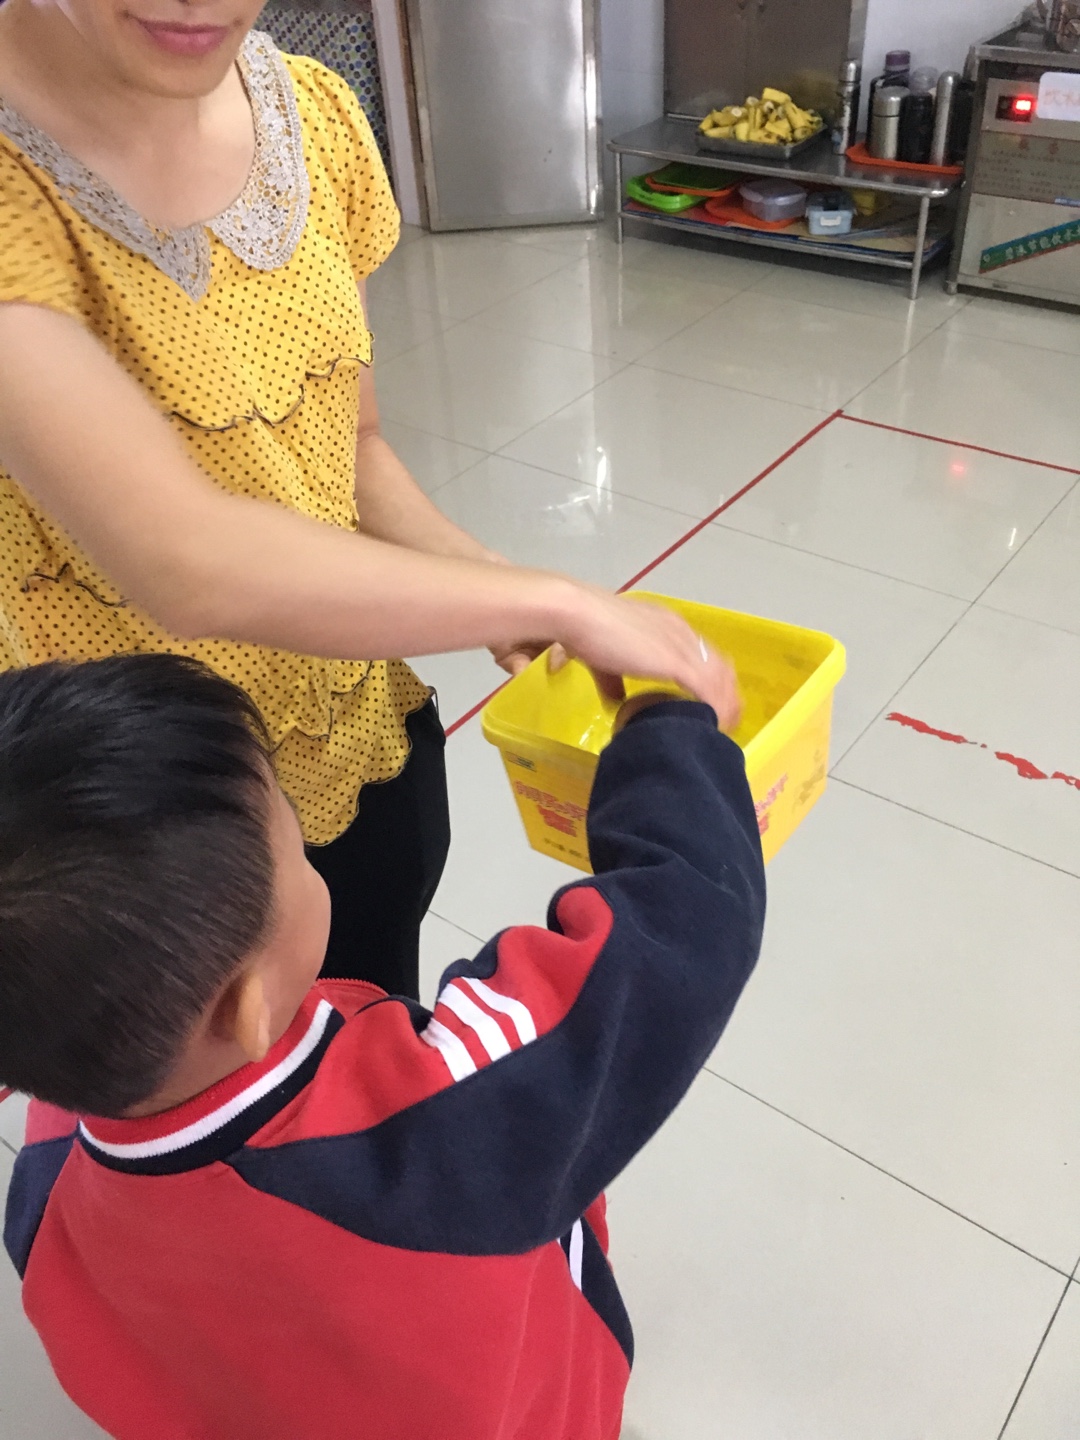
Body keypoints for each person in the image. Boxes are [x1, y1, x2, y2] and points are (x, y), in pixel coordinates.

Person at [0, 0, 730, 1000]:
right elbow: (182, 562)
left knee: (374, 1020)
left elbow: (354, 446)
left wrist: (491, 586)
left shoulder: (312, 115)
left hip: (353, 741)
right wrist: (555, 601)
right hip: (139, 847)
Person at [1, 652, 764, 1440]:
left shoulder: (45, 1187)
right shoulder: (438, 1129)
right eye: (297, 848)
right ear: (248, 1005)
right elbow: (680, 930)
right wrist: (669, 733)